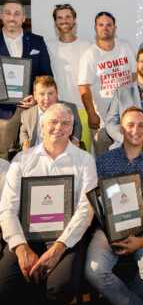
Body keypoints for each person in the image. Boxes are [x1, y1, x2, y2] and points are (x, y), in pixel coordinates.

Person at [0, 103, 98, 303]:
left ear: (71, 129)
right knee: (5, 286)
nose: (58, 128)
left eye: (65, 123)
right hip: (26, 237)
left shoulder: (85, 160)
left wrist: (59, 248)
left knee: (60, 287)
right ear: (43, 125)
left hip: (67, 237)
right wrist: (21, 248)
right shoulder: (22, 160)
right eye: (53, 122)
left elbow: (86, 210)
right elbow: (8, 208)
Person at [85, 107, 143, 305]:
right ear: (121, 129)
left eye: (141, 125)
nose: (136, 130)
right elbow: (96, 201)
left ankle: (122, 299)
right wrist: (111, 232)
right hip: (107, 230)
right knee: (94, 271)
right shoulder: (104, 161)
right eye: (130, 125)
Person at [0, 0, 53, 160]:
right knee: (3, 157)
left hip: (32, 110)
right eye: (8, 13)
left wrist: (37, 98)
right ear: (1, 16)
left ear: (24, 17)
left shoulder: (37, 41)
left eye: (17, 14)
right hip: (3, 112)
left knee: (33, 156)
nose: (12, 18)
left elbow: (47, 76)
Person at [78, 11, 136, 156]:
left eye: (109, 25)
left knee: (129, 160)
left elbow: (135, 76)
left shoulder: (125, 46)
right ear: (95, 28)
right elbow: (83, 86)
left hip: (128, 119)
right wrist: (91, 114)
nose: (105, 28)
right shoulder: (89, 54)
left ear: (114, 28)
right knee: (104, 162)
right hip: (102, 122)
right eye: (101, 25)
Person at [46, 3, 92, 151]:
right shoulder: (48, 46)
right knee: (57, 153)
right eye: (60, 17)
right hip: (56, 109)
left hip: (82, 109)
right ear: (55, 22)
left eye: (67, 17)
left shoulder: (86, 45)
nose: (64, 20)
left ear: (74, 20)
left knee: (81, 153)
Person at [19, 75, 82, 149]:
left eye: (51, 93)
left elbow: (77, 125)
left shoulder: (70, 108)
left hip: (63, 151)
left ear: (57, 93)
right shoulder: (27, 114)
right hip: (36, 152)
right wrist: (25, 142)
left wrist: (75, 140)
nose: (46, 98)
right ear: (35, 95)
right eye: (42, 94)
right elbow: (23, 131)